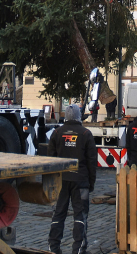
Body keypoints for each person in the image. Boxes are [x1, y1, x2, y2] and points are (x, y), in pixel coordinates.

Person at [47, 105, 96, 254]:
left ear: (66, 117)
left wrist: (52, 182)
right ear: (78, 116)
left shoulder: (56, 133)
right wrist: (91, 183)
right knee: (80, 216)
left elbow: (50, 160)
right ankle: (79, 249)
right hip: (80, 180)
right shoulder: (86, 133)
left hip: (61, 180)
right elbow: (91, 161)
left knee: (58, 214)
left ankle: (53, 248)